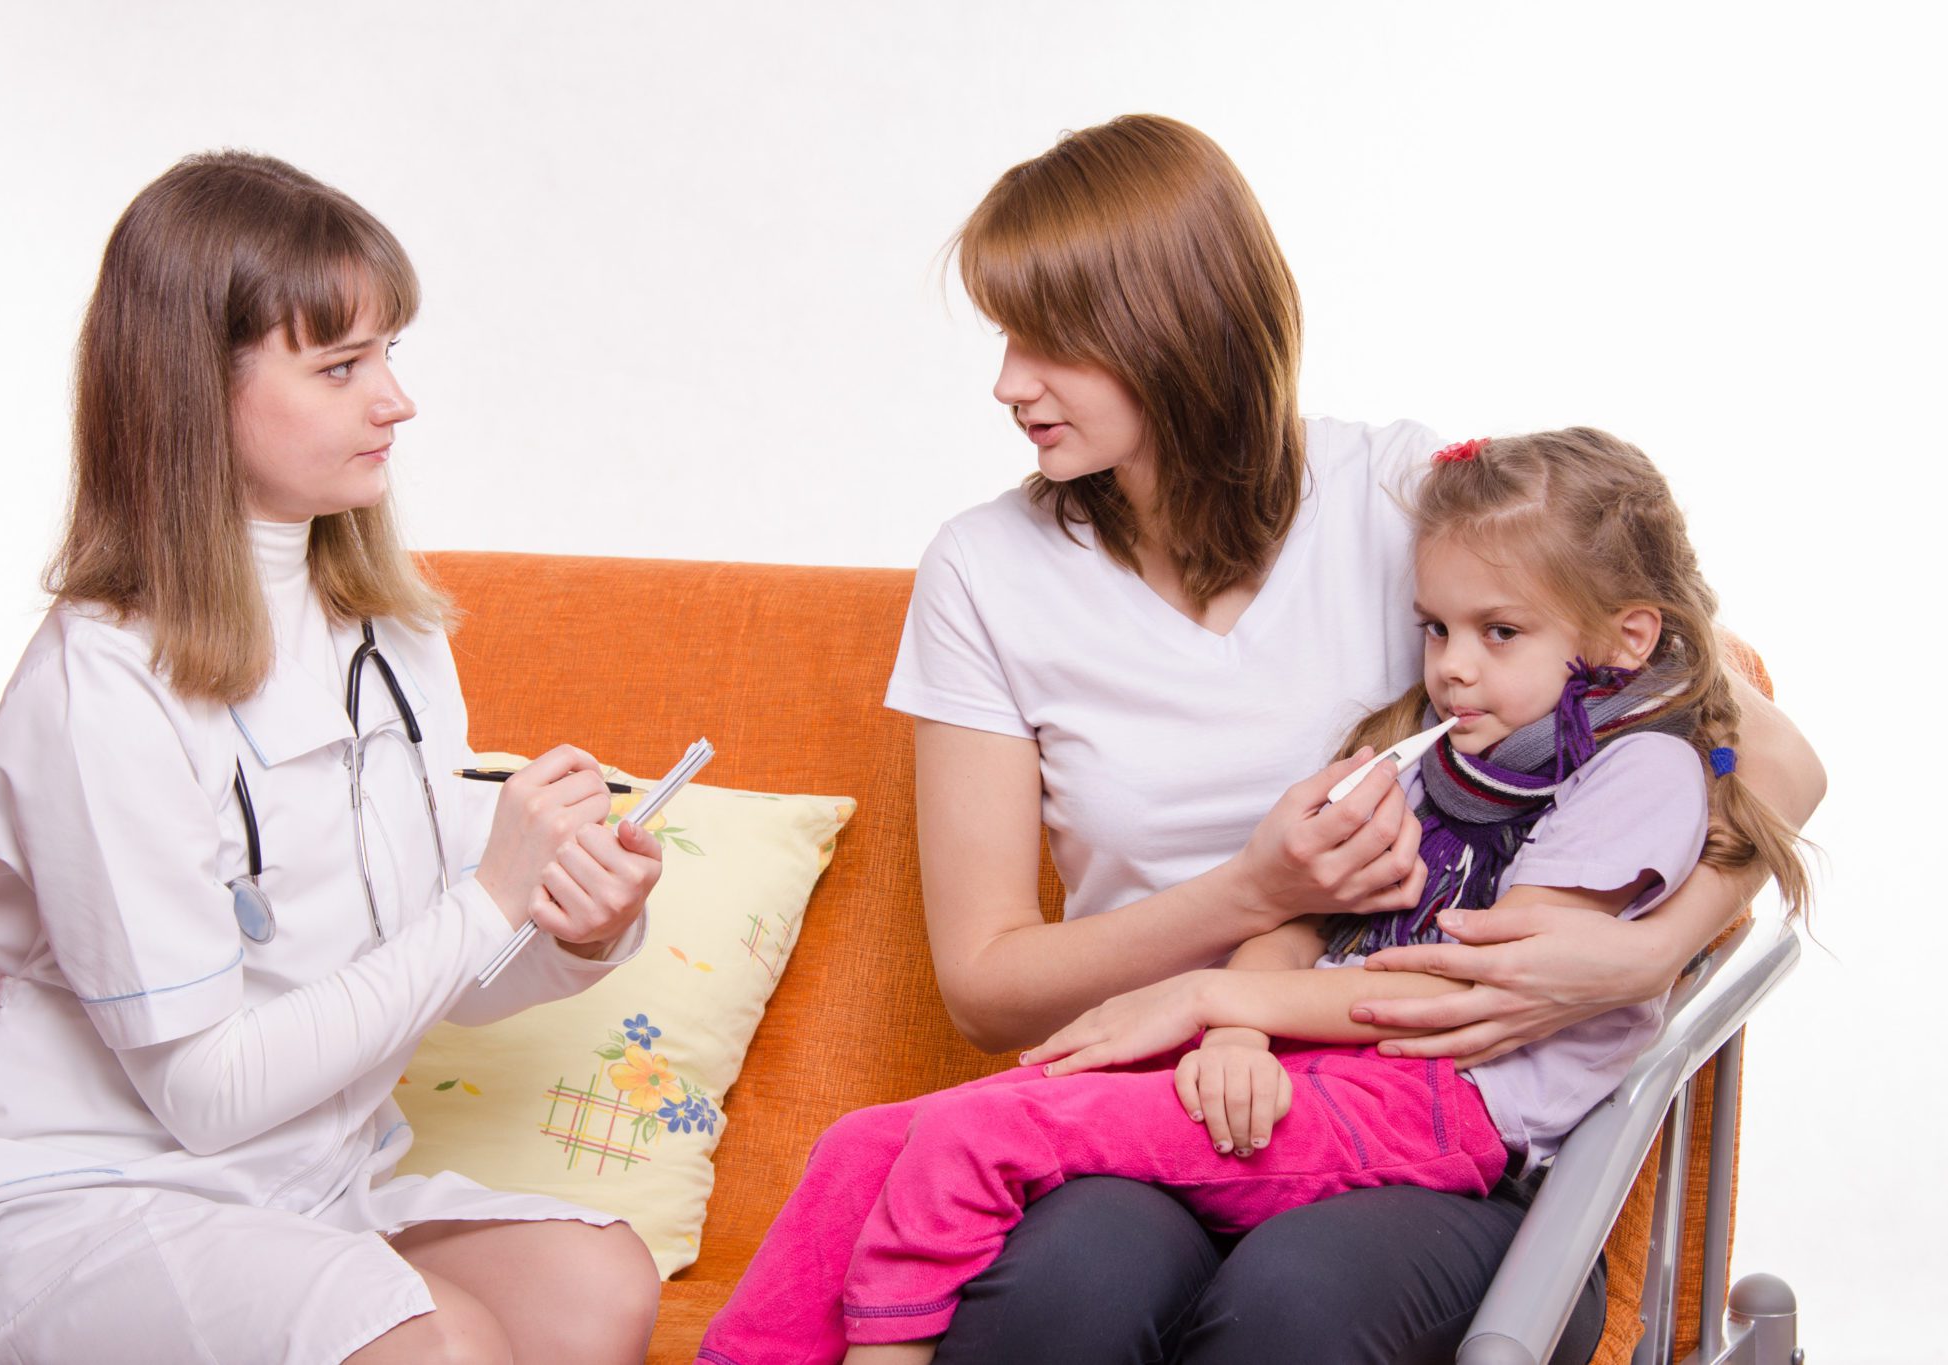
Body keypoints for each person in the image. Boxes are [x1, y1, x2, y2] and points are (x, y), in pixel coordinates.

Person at [724, 114, 1819, 1365]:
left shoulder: (1403, 494)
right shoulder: (986, 572)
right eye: (1001, 338)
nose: (1007, 383)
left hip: (1417, 1117)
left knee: (1300, 1307)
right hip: (1158, 1099)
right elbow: (983, 986)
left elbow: (1750, 753)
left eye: (1048, 340)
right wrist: (1249, 900)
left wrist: (1649, 948)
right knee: (1057, 1305)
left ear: (1175, 326)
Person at [0, 153, 664, 1364]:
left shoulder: (389, 633)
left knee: (595, 1285)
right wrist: (487, 899)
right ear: (195, 390)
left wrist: (572, 931)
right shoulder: (101, 682)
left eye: (391, 355)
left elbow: (409, 969)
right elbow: (205, 1093)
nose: (396, 402)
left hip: (305, 1178)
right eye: (341, 366)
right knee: (436, 1343)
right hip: (88, 1189)